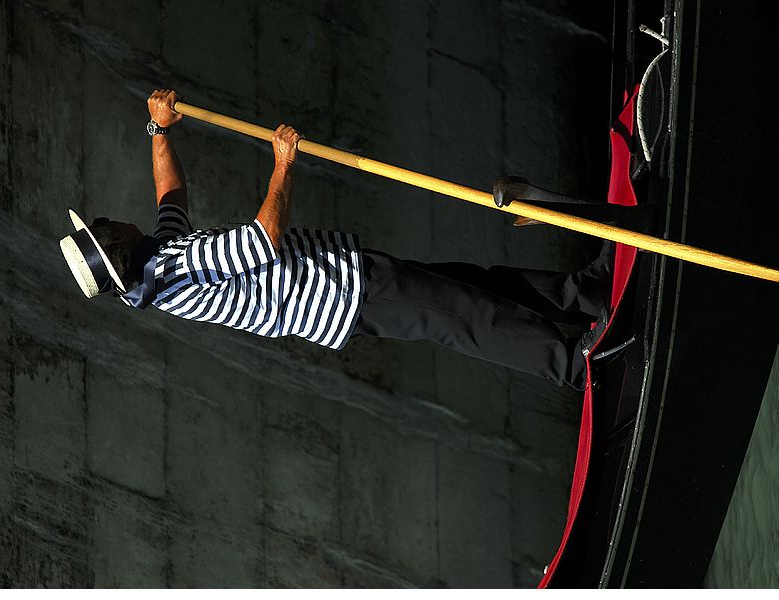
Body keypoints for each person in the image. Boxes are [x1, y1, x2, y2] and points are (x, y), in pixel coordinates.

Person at [59, 89, 614, 390]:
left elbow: (171, 198)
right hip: (345, 293)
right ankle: (570, 362)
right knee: (464, 315)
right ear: (114, 248)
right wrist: (283, 164)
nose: (109, 218)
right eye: (103, 226)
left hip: (346, 274)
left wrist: (158, 129)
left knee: (471, 284)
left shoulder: (161, 261)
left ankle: (585, 293)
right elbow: (262, 241)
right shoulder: (180, 270)